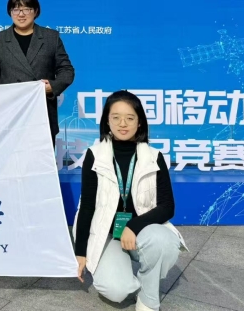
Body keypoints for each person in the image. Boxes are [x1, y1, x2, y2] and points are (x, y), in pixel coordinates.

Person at [73, 91, 187, 311]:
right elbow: (86, 206)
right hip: (107, 234)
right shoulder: (94, 155)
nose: (122, 123)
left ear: (139, 122)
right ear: (107, 121)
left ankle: (148, 297)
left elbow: (167, 207)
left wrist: (133, 227)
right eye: (116, 117)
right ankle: (129, 277)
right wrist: (80, 252)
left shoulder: (154, 157)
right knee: (116, 291)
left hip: (141, 231)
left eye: (130, 118)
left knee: (163, 242)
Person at [0, 0, 74, 145]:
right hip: (9, 117)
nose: (21, 14)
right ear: (10, 12)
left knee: (41, 159)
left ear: (36, 11)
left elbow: (67, 71)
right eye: (16, 9)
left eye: (26, 9)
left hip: (42, 113)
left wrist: (52, 87)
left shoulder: (51, 37)